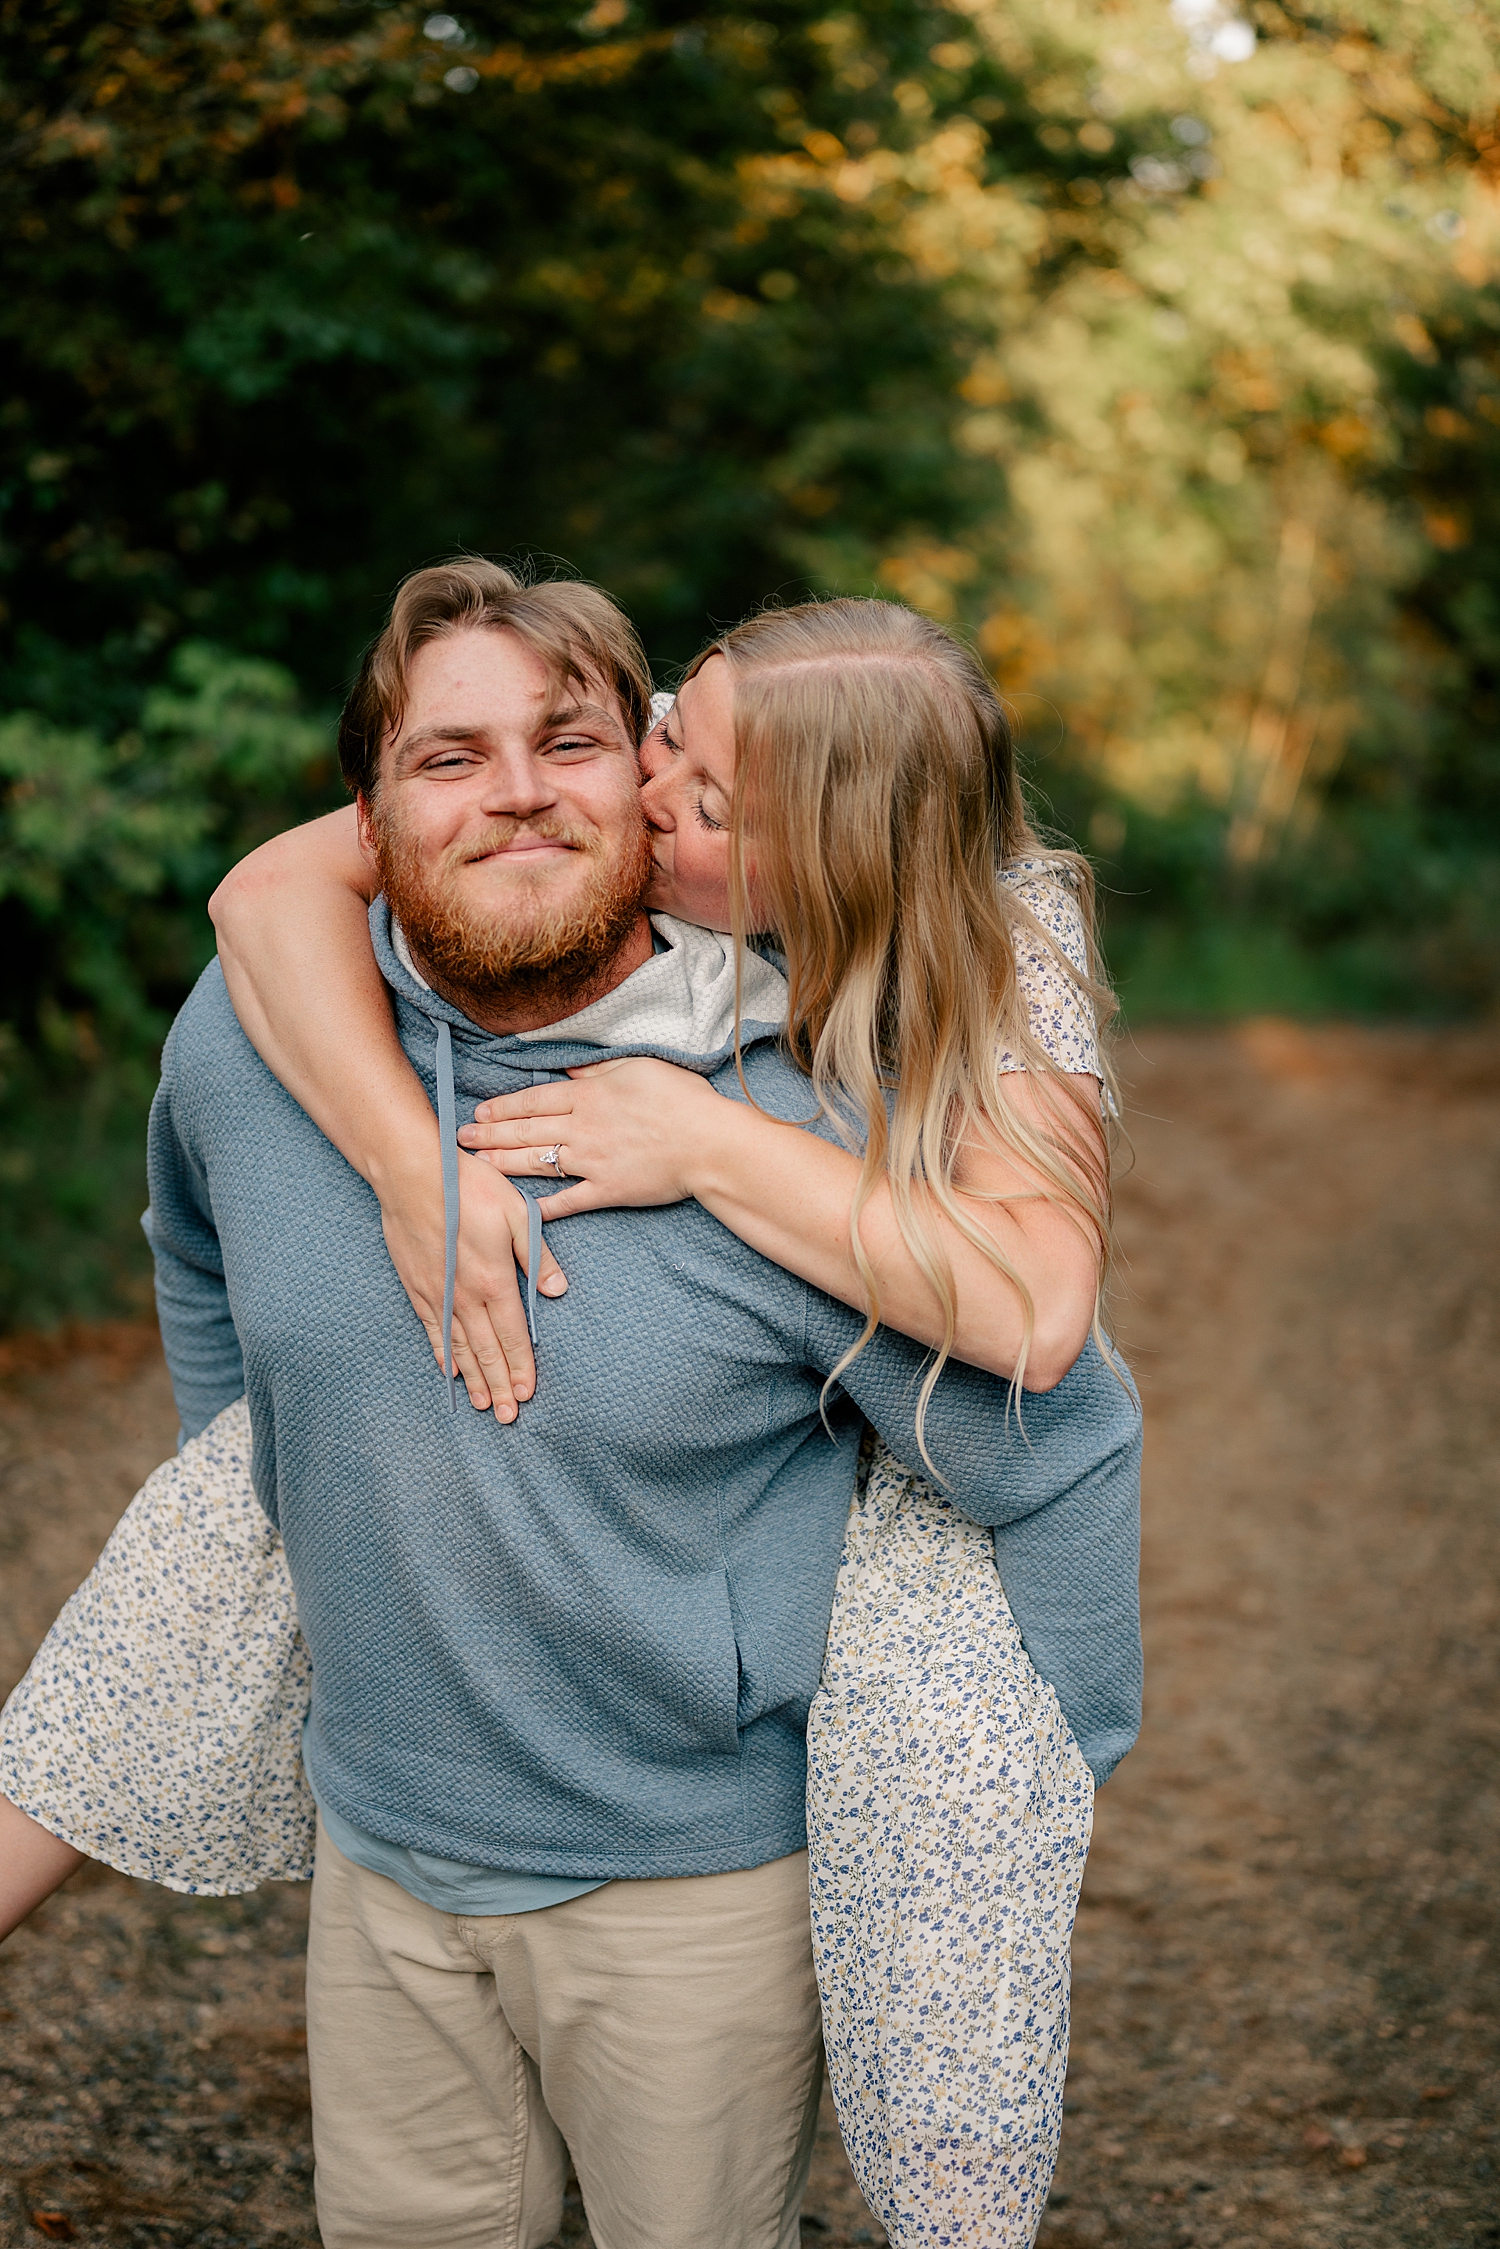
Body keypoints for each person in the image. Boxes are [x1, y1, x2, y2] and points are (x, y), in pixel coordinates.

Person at [0, 565, 1140, 2249]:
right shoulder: (267, 1033)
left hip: (689, 1875)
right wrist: (310, 1415)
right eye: (668, 729)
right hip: (391, 1855)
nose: (568, 789)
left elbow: (1043, 1355)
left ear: (798, 859)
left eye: (660, 775)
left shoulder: (870, 1086)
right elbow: (215, 1167)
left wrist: (707, 1149)